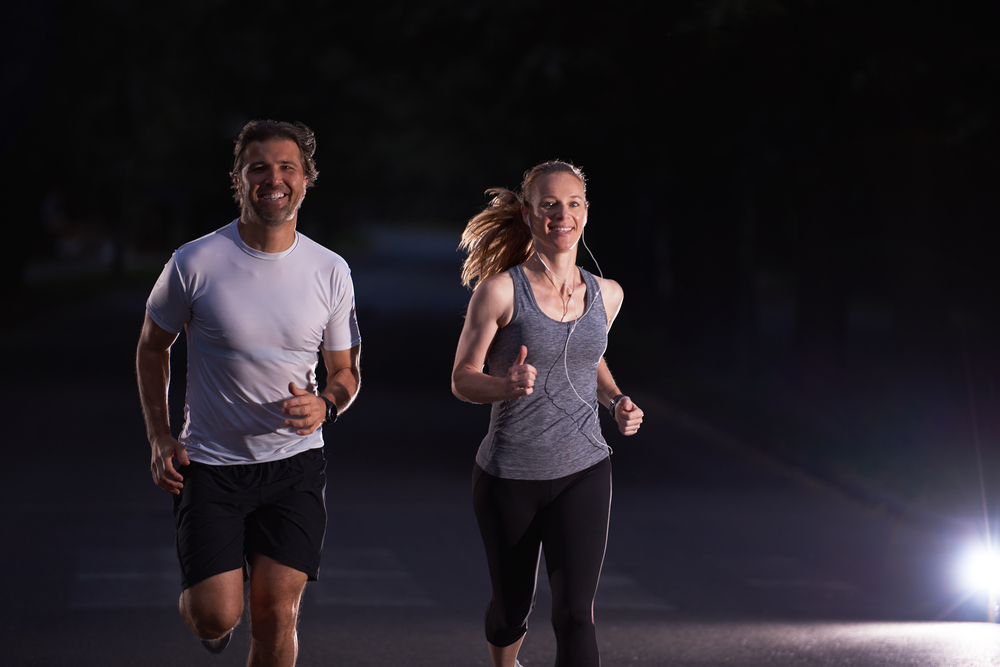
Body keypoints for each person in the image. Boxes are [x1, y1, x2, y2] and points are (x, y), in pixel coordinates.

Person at [136, 120, 361, 667]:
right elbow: (151, 347)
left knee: (276, 612)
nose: (273, 178)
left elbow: (346, 373)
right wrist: (161, 436)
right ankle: (215, 612)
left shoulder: (330, 270)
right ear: (238, 180)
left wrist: (326, 404)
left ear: (307, 179)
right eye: (258, 167)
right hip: (210, 464)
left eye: (287, 167)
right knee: (217, 613)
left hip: (293, 466)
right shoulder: (194, 262)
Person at [451, 160, 644, 667]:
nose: (563, 214)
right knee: (513, 607)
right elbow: (462, 378)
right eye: (549, 204)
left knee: (576, 614)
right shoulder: (499, 291)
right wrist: (504, 385)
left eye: (573, 203)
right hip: (510, 473)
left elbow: (589, 354)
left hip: (585, 468)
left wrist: (616, 400)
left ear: (586, 213)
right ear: (528, 213)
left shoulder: (608, 294)